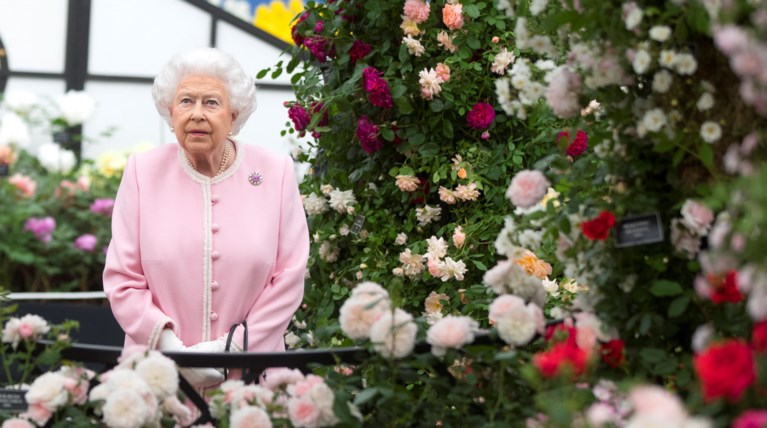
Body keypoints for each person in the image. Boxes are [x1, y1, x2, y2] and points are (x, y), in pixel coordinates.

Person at [103, 47, 310, 388]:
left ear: (234, 114)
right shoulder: (142, 172)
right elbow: (122, 279)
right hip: (159, 378)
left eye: (211, 102)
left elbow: (288, 280)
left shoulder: (276, 173)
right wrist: (173, 351)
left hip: (251, 381)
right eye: (186, 101)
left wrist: (227, 350)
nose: (197, 114)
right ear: (170, 113)